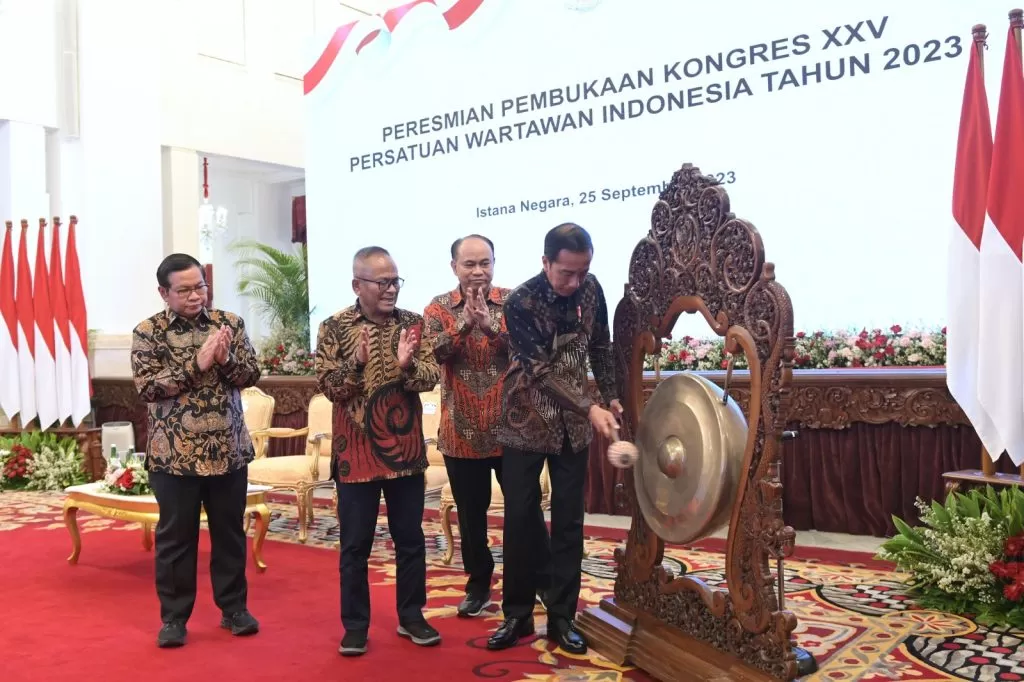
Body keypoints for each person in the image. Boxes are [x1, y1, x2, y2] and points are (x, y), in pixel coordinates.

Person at [487, 223, 621, 655]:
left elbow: (600, 345)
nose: (575, 282)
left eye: (583, 272)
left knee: (569, 523)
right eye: (566, 273)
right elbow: (538, 372)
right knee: (521, 521)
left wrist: (612, 396)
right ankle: (518, 615)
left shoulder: (591, 289)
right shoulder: (520, 301)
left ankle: (562, 618)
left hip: (574, 430)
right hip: (525, 422)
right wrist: (589, 406)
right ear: (545, 263)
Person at [130, 253, 262, 649]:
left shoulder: (230, 325)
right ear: (164, 292)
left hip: (228, 451)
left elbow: (251, 375)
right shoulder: (148, 332)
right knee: (176, 539)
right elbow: (148, 388)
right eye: (184, 290)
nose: (195, 296)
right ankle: (173, 618)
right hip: (174, 457)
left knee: (230, 534)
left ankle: (234, 610)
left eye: (200, 287)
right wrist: (197, 362)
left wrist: (225, 359)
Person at [315, 246, 442, 657]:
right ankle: (355, 626)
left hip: (404, 452)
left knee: (410, 540)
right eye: (382, 282)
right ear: (358, 285)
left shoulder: (413, 324)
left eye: (395, 281)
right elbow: (331, 389)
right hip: (355, 455)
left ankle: (412, 616)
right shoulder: (334, 328)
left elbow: (430, 376)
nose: (391, 290)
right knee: (355, 546)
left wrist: (407, 367)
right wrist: (354, 363)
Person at [423, 235, 513, 617]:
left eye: (485, 263)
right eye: (469, 264)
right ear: (454, 267)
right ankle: (479, 585)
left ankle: (535, 581)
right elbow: (434, 352)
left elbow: (528, 349)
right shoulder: (438, 308)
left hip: (512, 431)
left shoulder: (514, 301)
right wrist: (465, 323)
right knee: (472, 520)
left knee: (523, 513)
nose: (478, 272)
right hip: (460, 433)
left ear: (494, 262)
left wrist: (490, 326)